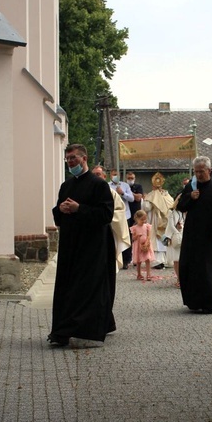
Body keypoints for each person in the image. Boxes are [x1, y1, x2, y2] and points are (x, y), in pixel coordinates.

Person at [49, 144, 114, 347]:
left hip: (92, 247)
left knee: (87, 289)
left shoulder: (98, 185)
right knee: (67, 288)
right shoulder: (66, 186)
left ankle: (86, 331)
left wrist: (79, 209)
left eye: (73, 158)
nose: (70, 162)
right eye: (67, 159)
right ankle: (62, 331)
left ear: (84, 158)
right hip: (70, 245)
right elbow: (58, 217)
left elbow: (105, 215)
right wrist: (60, 209)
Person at [177, 156, 212, 313]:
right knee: (190, 268)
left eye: (202, 171)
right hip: (192, 235)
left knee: (208, 270)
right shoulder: (191, 187)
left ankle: (208, 304)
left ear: (209, 171)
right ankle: (193, 302)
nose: (199, 175)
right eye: (196, 171)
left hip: (210, 236)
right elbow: (180, 206)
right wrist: (190, 198)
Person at [92, 165, 130, 333]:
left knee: (105, 281)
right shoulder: (87, 191)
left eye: (99, 174)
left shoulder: (111, 193)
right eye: (95, 174)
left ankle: (106, 319)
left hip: (106, 238)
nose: (97, 177)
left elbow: (119, 212)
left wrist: (101, 217)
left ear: (104, 176)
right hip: (89, 241)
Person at [142, 172, 174, 269]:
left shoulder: (153, 195)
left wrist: (146, 199)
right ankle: (164, 260)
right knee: (161, 239)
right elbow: (172, 204)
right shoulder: (167, 194)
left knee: (158, 239)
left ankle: (159, 261)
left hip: (157, 221)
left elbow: (146, 207)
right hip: (162, 220)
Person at [163, 194, 185, 288]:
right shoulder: (172, 212)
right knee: (177, 259)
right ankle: (179, 279)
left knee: (181, 259)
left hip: (181, 235)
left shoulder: (183, 212)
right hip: (175, 237)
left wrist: (181, 228)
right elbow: (171, 225)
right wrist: (177, 231)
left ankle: (181, 278)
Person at [124, 171, 144, 267]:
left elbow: (138, 198)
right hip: (126, 214)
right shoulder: (123, 186)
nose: (130, 180)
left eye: (132, 178)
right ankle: (127, 259)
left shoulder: (138, 186)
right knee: (128, 237)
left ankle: (138, 258)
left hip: (137, 214)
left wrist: (128, 192)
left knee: (138, 236)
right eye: (129, 178)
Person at [130, 210, 155, 281]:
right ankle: (139, 274)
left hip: (146, 244)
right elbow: (133, 238)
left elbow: (149, 235)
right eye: (141, 220)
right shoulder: (134, 228)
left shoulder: (147, 226)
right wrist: (137, 236)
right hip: (138, 245)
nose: (144, 221)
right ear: (137, 218)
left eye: (145, 219)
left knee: (147, 259)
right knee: (139, 261)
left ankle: (148, 274)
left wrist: (147, 242)